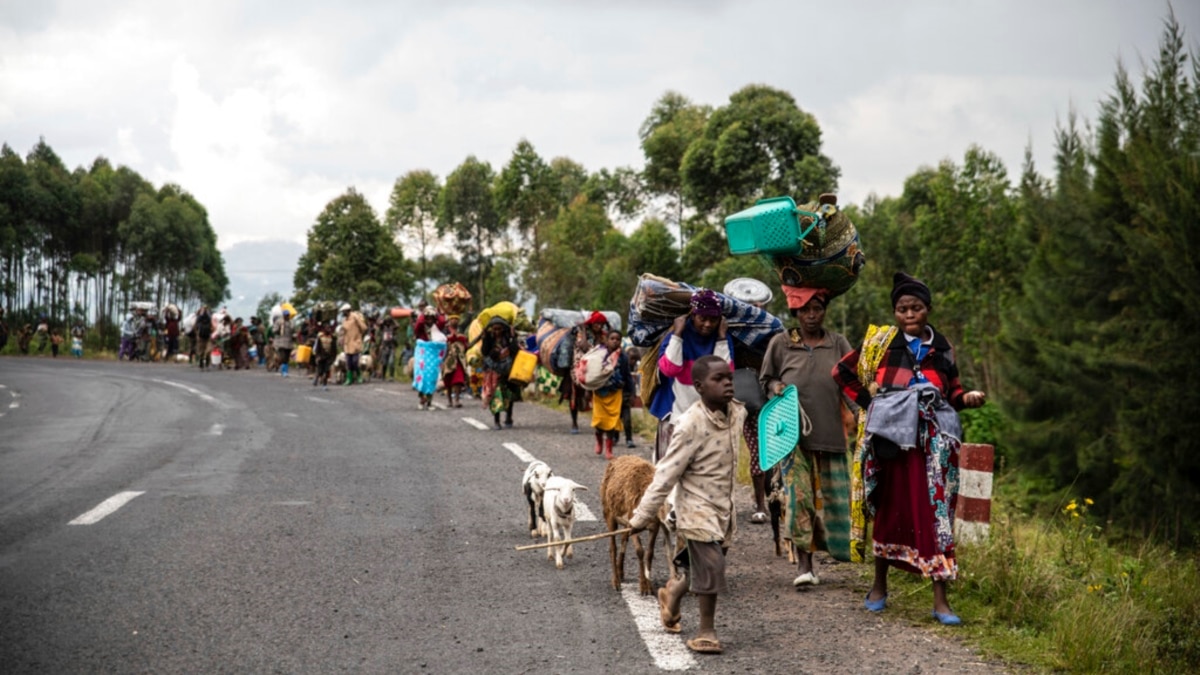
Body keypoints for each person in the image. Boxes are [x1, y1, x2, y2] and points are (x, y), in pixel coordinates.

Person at [832, 272, 987, 626]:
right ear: (895, 312)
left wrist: (969, 399)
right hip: (890, 442)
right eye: (902, 309)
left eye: (916, 308)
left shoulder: (943, 347)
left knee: (935, 515)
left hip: (932, 444)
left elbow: (953, 394)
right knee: (888, 507)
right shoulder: (880, 344)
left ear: (928, 309)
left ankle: (940, 600)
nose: (909, 315)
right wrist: (869, 403)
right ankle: (878, 586)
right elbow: (841, 372)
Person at [630, 355, 746, 656]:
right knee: (711, 566)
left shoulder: (737, 412)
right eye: (718, 380)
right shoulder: (689, 424)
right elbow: (666, 473)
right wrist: (641, 516)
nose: (727, 384)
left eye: (729, 378)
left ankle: (671, 594)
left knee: (698, 569)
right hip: (696, 508)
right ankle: (707, 631)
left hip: (724, 506)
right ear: (698, 387)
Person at [760, 287, 856, 587]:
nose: (812, 315)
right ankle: (805, 564)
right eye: (805, 310)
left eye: (817, 309)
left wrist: (865, 411)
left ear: (824, 311)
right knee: (799, 498)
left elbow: (851, 385)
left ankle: (840, 553)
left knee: (833, 502)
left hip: (831, 436)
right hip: (792, 439)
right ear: (795, 313)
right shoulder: (782, 343)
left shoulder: (837, 343)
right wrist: (776, 388)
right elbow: (766, 380)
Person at [649, 289, 733, 462]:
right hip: (675, 416)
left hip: (708, 420)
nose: (708, 324)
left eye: (713, 319)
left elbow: (724, 374)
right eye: (703, 318)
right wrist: (678, 334)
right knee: (668, 470)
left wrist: (722, 338)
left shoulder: (721, 338)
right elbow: (669, 369)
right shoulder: (677, 335)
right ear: (693, 316)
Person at [561, 311, 608, 434]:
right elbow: (583, 346)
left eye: (601, 324)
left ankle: (600, 423)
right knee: (574, 396)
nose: (599, 326)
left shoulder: (603, 335)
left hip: (595, 369)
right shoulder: (581, 334)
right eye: (597, 323)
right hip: (579, 367)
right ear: (591, 324)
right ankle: (574, 422)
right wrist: (583, 330)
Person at [590, 330, 632, 459]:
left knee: (612, 423)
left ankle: (609, 449)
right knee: (599, 421)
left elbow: (627, 375)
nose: (615, 341)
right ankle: (599, 441)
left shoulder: (623, 357)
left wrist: (630, 392)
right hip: (599, 393)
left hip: (615, 393)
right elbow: (591, 373)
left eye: (617, 339)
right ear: (606, 340)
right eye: (612, 338)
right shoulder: (600, 355)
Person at [480, 316, 520, 429]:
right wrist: (484, 338)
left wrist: (513, 337)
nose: (496, 331)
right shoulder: (489, 339)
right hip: (494, 372)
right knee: (495, 395)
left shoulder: (508, 338)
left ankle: (508, 416)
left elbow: (514, 350)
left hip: (507, 371)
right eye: (494, 329)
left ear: (503, 329)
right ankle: (496, 421)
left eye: (499, 329)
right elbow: (484, 352)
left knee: (509, 395)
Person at [442, 315, 468, 407]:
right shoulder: (445, 337)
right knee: (448, 381)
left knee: (458, 380)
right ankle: (449, 401)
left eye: (456, 319)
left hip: (459, 361)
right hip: (448, 361)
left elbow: (465, 347)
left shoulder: (462, 337)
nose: (454, 321)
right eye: (452, 319)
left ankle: (457, 400)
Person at [340, 304, 368, 385]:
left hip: (355, 342)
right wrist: (341, 338)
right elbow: (343, 331)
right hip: (347, 343)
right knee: (348, 362)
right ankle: (349, 379)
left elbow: (364, 328)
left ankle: (359, 376)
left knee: (355, 361)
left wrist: (359, 335)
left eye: (343, 311)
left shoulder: (355, 317)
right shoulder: (344, 320)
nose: (343, 313)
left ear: (347, 310)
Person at [312, 323, 337, 390]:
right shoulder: (320, 337)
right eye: (326, 328)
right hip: (321, 356)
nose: (328, 330)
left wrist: (333, 358)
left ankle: (324, 384)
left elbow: (334, 349)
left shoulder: (332, 338)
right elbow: (317, 348)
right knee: (320, 369)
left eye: (329, 328)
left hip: (328, 357)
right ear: (323, 329)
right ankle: (317, 377)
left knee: (326, 371)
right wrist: (317, 356)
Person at [273, 309, 295, 377]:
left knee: (287, 357)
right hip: (281, 342)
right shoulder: (279, 321)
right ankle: (283, 370)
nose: (287, 316)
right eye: (285, 315)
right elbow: (274, 330)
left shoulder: (291, 322)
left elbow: (293, 330)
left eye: (288, 315)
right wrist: (279, 328)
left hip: (289, 342)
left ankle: (285, 370)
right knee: (283, 357)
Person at [195, 305, 213, 370]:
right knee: (201, 352)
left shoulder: (209, 318)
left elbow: (212, 325)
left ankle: (207, 364)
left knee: (208, 351)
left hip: (208, 337)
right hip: (201, 337)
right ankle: (201, 363)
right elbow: (196, 325)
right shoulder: (199, 318)